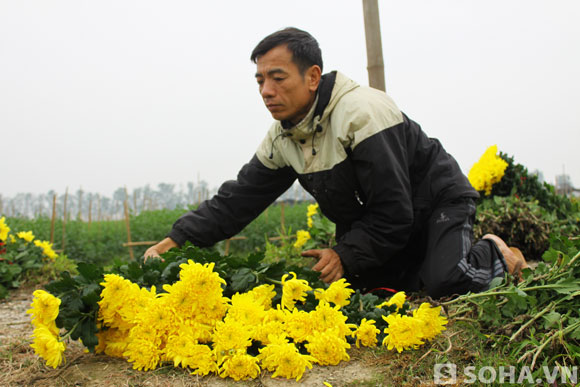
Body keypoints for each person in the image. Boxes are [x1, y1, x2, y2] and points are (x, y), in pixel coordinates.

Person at [145, 27, 527, 298]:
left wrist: (343, 253)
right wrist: (176, 240)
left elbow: (394, 210)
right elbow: (237, 201)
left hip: (436, 201)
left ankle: (495, 252)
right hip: (385, 221)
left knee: (446, 283)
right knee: (370, 293)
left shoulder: (361, 113)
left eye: (277, 78)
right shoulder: (283, 137)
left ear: (313, 77)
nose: (266, 91)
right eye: (259, 80)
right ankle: (423, 263)